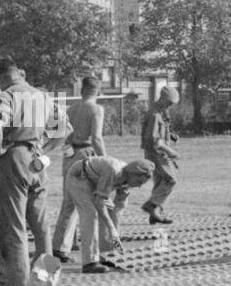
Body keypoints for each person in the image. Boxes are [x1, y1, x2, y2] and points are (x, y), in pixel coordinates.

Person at [0, 59, 50, 286]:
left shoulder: (5, 95)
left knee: (14, 226)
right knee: (41, 227)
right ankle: (43, 285)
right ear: (18, 73)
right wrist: (43, 152)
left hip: (16, 157)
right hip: (38, 158)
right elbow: (64, 129)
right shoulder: (41, 96)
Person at [51, 76, 107, 262]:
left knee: (68, 203)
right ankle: (82, 251)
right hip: (85, 155)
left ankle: (60, 246)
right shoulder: (96, 109)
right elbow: (97, 138)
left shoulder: (71, 109)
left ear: (81, 90)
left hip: (69, 155)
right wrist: (104, 159)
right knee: (86, 203)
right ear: (98, 91)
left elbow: (63, 136)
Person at [65, 156, 153, 273]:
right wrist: (111, 228)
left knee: (108, 215)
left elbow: (116, 209)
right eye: (139, 182)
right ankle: (90, 263)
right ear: (134, 174)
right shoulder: (113, 171)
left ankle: (107, 256)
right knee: (91, 214)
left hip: (96, 181)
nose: (139, 186)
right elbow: (99, 202)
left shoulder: (128, 181)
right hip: (79, 176)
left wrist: (115, 236)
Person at [141, 85, 179, 225]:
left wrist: (171, 136)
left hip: (156, 152)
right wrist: (170, 151)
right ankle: (151, 206)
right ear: (162, 99)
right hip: (156, 153)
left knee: (160, 181)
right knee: (170, 179)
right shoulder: (155, 114)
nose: (170, 106)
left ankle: (156, 214)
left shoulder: (160, 111)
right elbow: (154, 140)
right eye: (169, 103)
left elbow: (160, 132)